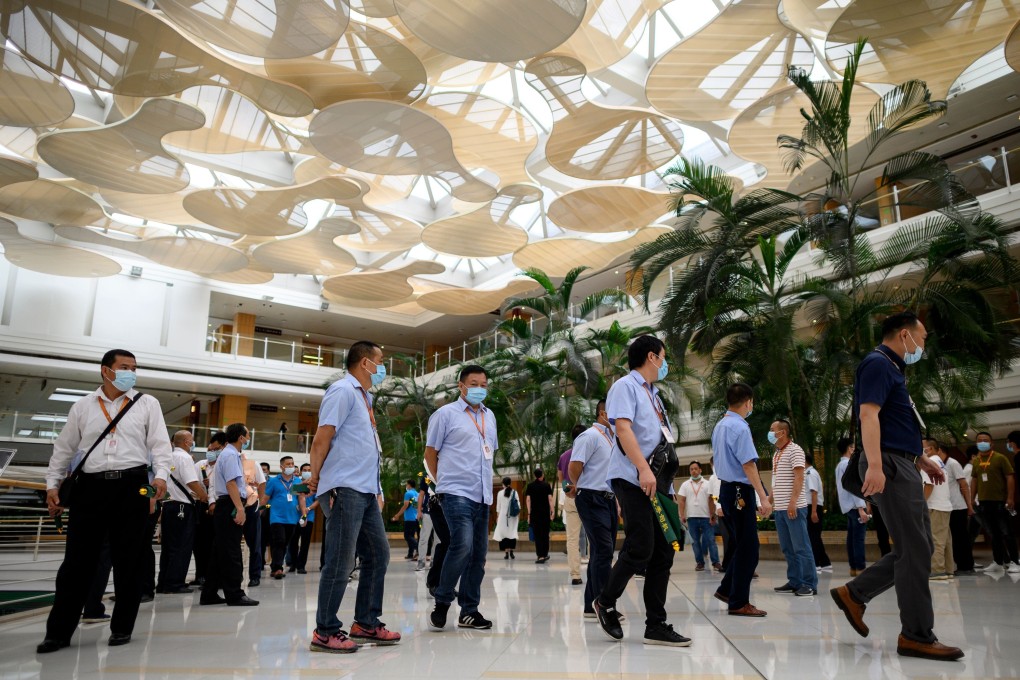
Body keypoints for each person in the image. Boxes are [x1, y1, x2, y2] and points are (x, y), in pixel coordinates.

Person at [830, 311, 963, 661]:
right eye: (922, 337)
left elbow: (892, 422)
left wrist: (919, 460)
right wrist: (875, 464)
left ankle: (855, 594)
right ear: (905, 334)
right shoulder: (877, 363)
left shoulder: (893, 368)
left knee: (914, 546)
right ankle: (916, 635)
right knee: (916, 548)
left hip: (900, 461)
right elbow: (868, 415)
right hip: (887, 462)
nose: (923, 345)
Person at [39, 349, 172, 653]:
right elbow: (64, 448)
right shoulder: (83, 406)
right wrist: (52, 485)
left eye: (134, 368)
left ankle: (122, 627)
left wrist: (161, 477)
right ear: (105, 371)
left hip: (133, 486)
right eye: (124, 367)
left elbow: (160, 446)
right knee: (76, 562)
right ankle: (58, 632)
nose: (131, 372)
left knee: (130, 560)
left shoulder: (147, 403)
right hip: (90, 487)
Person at [592, 335, 691, 647]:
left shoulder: (654, 395)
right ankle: (605, 601)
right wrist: (643, 469)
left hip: (656, 483)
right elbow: (623, 430)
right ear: (652, 356)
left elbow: (661, 443)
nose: (665, 363)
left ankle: (656, 625)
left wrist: (668, 487)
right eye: (663, 357)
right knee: (641, 547)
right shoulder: (625, 386)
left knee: (664, 552)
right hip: (632, 479)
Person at [307, 341, 400, 653]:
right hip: (344, 487)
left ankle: (366, 623)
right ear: (365, 363)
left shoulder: (365, 397)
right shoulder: (343, 391)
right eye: (381, 361)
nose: (383, 367)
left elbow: (365, 447)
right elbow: (323, 437)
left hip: (365, 490)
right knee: (340, 560)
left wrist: (378, 489)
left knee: (378, 555)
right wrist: (316, 477)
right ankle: (325, 631)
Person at [426, 365, 498, 631]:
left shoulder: (490, 417)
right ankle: (443, 600)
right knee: (462, 545)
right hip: (455, 492)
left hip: (483, 495)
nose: (480, 388)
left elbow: (489, 453)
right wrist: (442, 483)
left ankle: (469, 611)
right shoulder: (445, 414)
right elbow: (430, 454)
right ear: (461, 386)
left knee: (478, 556)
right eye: (474, 383)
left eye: (484, 384)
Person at [711, 383, 773, 618]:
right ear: (748, 401)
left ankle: (727, 590)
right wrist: (763, 497)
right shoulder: (739, 427)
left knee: (742, 545)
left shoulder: (720, 426)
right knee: (750, 548)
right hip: (740, 492)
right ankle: (738, 602)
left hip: (727, 490)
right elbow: (748, 464)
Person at [200, 423, 259, 608]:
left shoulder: (227, 454)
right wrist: (240, 509)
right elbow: (231, 484)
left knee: (219, 552)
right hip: (229, 505)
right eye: (247, 435)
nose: (248, 439)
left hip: (225, 505)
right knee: (232, 551)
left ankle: (209, 593)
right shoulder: (231, 454)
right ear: (241, 437)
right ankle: (235, 594)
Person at [570, 399, 619, 618]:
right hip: (591, 497)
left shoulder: (612, 438)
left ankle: (591, 604)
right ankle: (604, 604)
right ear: (603, 413)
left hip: (608, 499)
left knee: (601, 552)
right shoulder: (589, 436)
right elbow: (574, 466)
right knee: (604, 550)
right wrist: (580, 487)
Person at [768, 419, 817, 596]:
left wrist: (793, 502)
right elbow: (777, 482)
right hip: (780, 509)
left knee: (801, 546)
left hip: (793, 507)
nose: (770, 433)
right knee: (788, 548)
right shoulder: (777, 454)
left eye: (772, 430)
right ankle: (795, 581)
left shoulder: (795, 450)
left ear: (783, 432)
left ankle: (809, 583)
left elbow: (799, 478)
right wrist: (769, 500)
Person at [156, 430, 208, 594]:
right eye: (191, 439)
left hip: (170, 505)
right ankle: (174, 583)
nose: (192, 442)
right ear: (186, 441)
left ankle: (164, 582)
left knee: (169, 546)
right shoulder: (184, 458)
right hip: (182, 506)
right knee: (182, 546)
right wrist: (203, 496)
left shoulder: (169, 456)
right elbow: (191, 481)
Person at [970, 431, 1019, 573]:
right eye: (979, 440)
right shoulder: (977, 461)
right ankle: (998, 562)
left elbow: (1010, 477)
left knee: (1007, 532)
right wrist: (972, 498)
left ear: (991, 443)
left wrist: (1010, 498)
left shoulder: (1000, 458)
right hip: (984, 502)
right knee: (994, 534)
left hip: (1000, 501)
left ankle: (1015, 562)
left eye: (985, 440)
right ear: (976, 443)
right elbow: (974, 480)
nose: (982, 442)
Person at [191, 432, 225, 587]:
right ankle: (200, 575)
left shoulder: (222, 465)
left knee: (213, 542)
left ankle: (212, 576)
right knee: (199, 543)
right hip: (200, 504)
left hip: (216, 505)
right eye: (209, 449)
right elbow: (190, 482)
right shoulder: (200, 465)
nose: (211, 452)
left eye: (214, 449)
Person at [925, 439, 963, 580]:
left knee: (935, 540)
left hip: (934, 506)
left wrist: (921, 505)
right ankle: (948, 569)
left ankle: (937, 571)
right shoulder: (941, 462)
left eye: (925, 448)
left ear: (932, 449)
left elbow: (929, 485)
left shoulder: (929, 463)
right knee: (945, 540)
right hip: (944, 505)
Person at [261, 455, 301, 580]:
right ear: (281, 466)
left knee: (284, 543)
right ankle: (278, 568)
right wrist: (259, 511)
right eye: (288, 464)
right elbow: (265, 499)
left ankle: (274, 565)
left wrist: (304, 514)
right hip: (276, 517)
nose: (291, 466)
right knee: (280, 541)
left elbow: (301, 498)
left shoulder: (298, 481)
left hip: (292, 518)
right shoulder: (273, 481)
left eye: (292, 464)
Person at [834, 437, 869, 576]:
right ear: (850, 448)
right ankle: (860, 568)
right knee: (858, 539)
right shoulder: (849, 464)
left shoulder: (840, 465)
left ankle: (853, 567)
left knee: (852, 538)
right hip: (855, 507)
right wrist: (861, 508)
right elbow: (854, 487)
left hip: (848, 506)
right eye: (853, 447)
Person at [558, 425, 588, 584]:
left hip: (570, 499)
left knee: (572, 539)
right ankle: (596, 572)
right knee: (594, 537)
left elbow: (561, 478)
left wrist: (569, 490)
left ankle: (575, 575)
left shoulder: (564, 456)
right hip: (588, 497)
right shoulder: (587, 452)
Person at [677, 461, 718, 572]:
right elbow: (682, 501)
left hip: (706, 517)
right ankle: (700, 563)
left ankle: (716, 562)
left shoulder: (708, 483)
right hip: (691, 518)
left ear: (700, 470)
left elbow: (712, 500)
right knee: (695, 542)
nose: (693, 471)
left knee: (711, 540)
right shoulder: (685, 484)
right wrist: (682, 515)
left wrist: (713, 514)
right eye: (691, 469)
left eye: (696, 468)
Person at [238, 450, 266, 588]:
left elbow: (261, 483)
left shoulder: (252, 465)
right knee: (232, 544)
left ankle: (255, 576)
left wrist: (259, 505)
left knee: (254, 544)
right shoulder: (224, 463)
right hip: (233, 505)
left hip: (250, 506)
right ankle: (235, 576)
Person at [804, 453, 832, 572]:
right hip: (813, 507)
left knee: (812, 536)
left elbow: (814, 493)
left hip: (813, 507)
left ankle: (816, 564)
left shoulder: (810, 474)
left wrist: (814, 511)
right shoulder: (810, 473)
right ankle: (825, 562)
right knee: (814, 535)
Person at [290, 463, 318, 574]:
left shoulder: (315, 485)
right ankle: (293, 564)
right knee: (293, 541)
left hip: (309, 516)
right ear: (301, 471)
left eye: (309, 470)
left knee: (305, 543)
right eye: (305, 470)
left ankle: (301, 566)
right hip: (294, 516)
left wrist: (309, 508)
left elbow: (318, 500)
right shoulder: (297, 483)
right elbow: (292, 495)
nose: (307, 471)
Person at [526, 468, 554, 564]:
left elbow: (528, 500)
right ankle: (545, 554)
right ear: (542, 475)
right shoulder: (547, 486)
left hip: (534, 514)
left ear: (535, 476)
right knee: (545, 534)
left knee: (537, 535)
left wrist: (529, 513)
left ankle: (540, 555)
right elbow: (550, 499)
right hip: (545, 514)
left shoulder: (530, 486)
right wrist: (552, 511)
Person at [391, 479, 420, 560]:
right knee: (411, 536)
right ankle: (410, 554)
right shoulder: (417, 494)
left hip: (409, 518)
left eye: (406, 485)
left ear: (409, 485)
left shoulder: (408, 493)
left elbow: (405, 505)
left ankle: (419, 549)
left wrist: (397, 515)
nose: (406, 486)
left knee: (407, 536)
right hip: (416, 517)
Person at [493, 477, 519, 559]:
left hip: (502, 516)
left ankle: (506, 553)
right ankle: (511, 551)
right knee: (512, 533)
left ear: (503, 483)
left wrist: (497, 516)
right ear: (510, 483)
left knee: (504, 534)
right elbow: (518, 506)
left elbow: (498, 507)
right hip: (513, 516)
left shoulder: (500, 493)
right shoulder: (515, 492)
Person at [416, 473, 437, 571]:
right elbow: (421, 495)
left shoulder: (443, 473)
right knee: (424, 537)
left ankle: (434, 560)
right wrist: (419, 510)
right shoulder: (426, 477)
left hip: (440, 512)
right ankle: (421, 561)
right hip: (427, 512)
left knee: (438, 539)